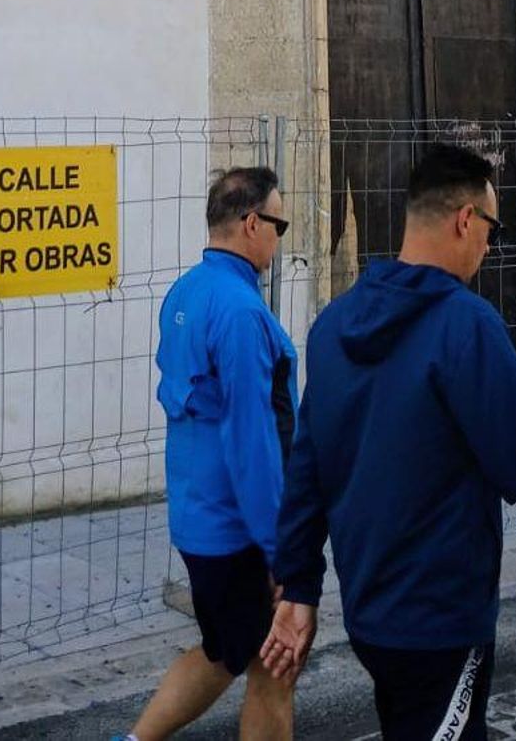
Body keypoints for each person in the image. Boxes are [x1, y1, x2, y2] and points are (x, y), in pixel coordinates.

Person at [261, 143, 516, 740]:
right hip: (443, 614)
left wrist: (299, 584)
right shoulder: (465, 325)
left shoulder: (333, 324)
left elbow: (308, 466)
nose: (488, 247)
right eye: (491, 232)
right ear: (465, 220)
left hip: (370, 610)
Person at [117, 167, 299, 741]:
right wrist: (279, 549)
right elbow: (252, 440)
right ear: (252, 224)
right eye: (280, 223)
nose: (279, 237)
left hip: (197, 517)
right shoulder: (242, 313)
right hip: (237, 527)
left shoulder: (185, 292)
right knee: (275, 662)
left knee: (226, 649)